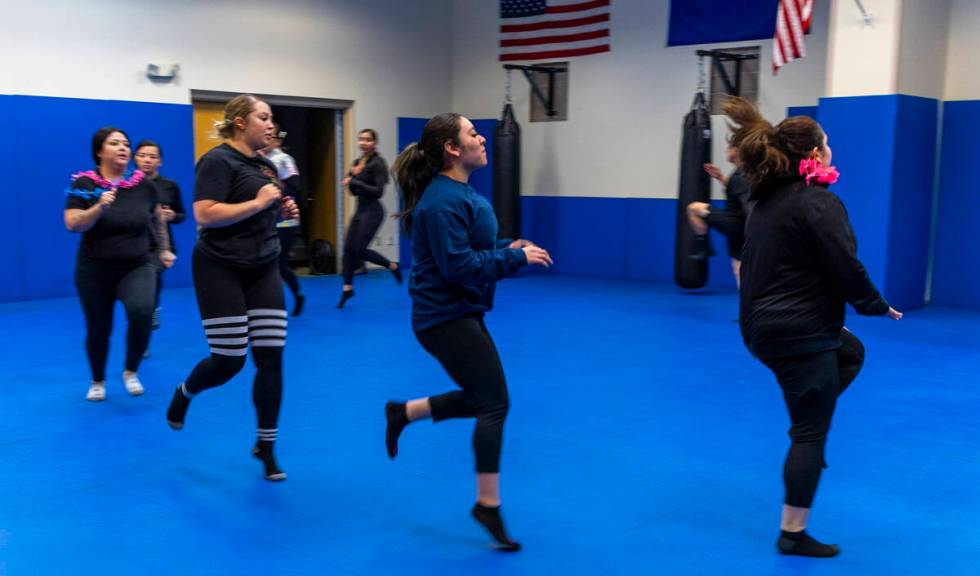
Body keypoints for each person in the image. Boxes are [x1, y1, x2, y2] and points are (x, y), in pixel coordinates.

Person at [726, 97, 903, 557]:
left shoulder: (768, 199)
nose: (831, 149)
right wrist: (876, 305)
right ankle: (792, 533)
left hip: (761, 327)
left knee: (850, 353)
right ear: (815, 155)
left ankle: (808, 421)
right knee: (811, 433)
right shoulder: (817, 202)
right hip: (796, 330)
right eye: (827, 143)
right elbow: (844, 264)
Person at [384, 113, 553, 551]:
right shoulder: (440, 202)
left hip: (459, 311)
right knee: (494, 403)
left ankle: (405, 413)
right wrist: (514, 260)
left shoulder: (459, 193)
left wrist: (508, 247)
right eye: (472, 133)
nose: (482, 138)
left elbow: (472, 251)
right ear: (453, 150)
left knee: (485, 398)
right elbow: (458, 267)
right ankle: (487, 505)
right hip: (442, 317)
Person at [166, 95, 299, 482]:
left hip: (263, 267)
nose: (270, 124)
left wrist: (281, 211)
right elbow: (205, 213)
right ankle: (185, 391)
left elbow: (263, 210)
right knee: (229, 361)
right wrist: (259, 203)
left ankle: (266, 446)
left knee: (271, 357)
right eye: (264, 117)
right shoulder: (217, 160)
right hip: (220, 267)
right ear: (241, 122)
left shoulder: (267, 165)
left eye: (272, 117)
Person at [64, 127, 174, 401]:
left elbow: (157, 217)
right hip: (94, 270)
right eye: (115, 143)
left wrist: (164, 249)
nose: (124, 148)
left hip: (136, 265)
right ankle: (98, 379)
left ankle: (130, 371)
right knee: (99, 326)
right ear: (100, 151)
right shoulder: (84, 185)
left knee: (142, 312)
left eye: (126, 143)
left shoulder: (144, 185)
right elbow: (72, 224)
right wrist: (98, 207)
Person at [336, 129, 402, 308]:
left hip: (373, 210)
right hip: (360, 209)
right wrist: (352, 178)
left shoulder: (378, 163)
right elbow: (352, 191)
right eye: (361, 139)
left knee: (359, 249)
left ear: (374, 143)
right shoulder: (357, 162)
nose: (363, 143)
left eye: (368, 140)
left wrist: (355, 181)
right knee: (349, 250)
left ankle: (392, 266)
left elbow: (378, 192)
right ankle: (347, 289)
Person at [134, 140, 186, 333]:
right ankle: (145, 314)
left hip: (160, 246)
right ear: (135, 158)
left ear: (160, 161)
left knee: (152, 279)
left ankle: (150, 315)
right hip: (133, 244)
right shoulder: (127, 184)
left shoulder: (170, 186)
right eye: (142, 155)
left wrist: (172, 216)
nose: (147, 160)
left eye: (152, 156)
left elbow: (182, 215)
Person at [686, 142, 753, 285]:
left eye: (730, 148)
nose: (727, 150)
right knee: (738, 268)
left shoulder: (740, 176)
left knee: (693, 208)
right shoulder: (743, 173)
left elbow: (747, 202)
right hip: (739, 228)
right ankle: (747, 304)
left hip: (735, 225)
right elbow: (738, 190)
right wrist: (720, 177)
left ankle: (703, 244)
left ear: (738, 151)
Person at [261, 125, 305, 316]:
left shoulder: (284, 159)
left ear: (277, 140)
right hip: (268, 219)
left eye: (271, 136)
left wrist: (273, 193)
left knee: (279, 263)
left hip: (285, 221)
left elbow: (294, 186)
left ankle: (297, 295)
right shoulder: (261, 159)